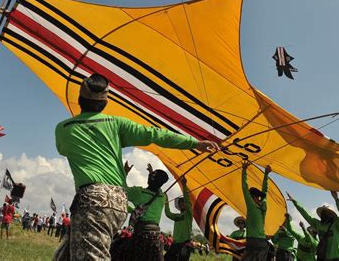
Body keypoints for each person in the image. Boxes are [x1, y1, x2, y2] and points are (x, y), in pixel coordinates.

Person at [53, 73, 219, 261]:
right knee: (66, 254)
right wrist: (194, 143)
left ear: (80, 99)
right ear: (105, 103)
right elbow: (156, 134)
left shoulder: (63, 129)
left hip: (93, 201)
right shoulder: (116, 124)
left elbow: (63, 150)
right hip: (118, 201)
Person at [112, 164, 170, 261]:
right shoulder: (162, 197)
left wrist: (125, 172)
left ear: (149, 179)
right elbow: (158, 188)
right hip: (156, 239)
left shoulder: (139, 193)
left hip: (140, 235)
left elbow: (120, 189)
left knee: (116, 250)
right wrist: (152, 174)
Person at [287, 191, 339, 261]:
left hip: (338, 258)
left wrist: (336, 199)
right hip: (325, 258)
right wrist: (295, 202)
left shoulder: (337, 225)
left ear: (331, 215)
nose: (324, 214)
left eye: (326, 213)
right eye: (323, 213)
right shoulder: (318, 224)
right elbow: (306, 215)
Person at [241, 161, 272, 261]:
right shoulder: (262, 206)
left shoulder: (252, 205)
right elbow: (264, 191)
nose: (259, 198)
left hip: (253, 242)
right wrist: (266, 174)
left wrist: (244, 170)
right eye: (258, 196)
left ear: (252, 196)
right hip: (262, 243)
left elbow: (245, 188)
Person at [164, 177, 194, 261]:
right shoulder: (176, 216)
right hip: (175, 244)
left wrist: (184, 185)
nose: (181, 204)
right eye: (180, 203)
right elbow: (168, 213)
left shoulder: (188, 214)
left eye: (183, 202)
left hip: (184, 244)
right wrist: (166, 201)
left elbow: (187, 201)